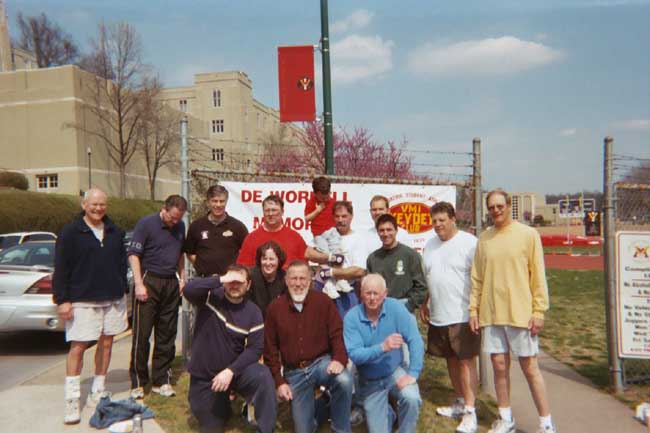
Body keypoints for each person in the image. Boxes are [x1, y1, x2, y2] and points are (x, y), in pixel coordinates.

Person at [469, 189, 555, 433]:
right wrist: (474, 309)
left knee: (530, 368)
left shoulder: (528, 235)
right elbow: (477, 278)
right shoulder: (484, 239)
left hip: (521, 314)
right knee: (499, 366)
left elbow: (538, 275)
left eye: (500, 206)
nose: (496, 210)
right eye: (491, 207)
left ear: (508, 206)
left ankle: (546, 423)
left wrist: (539, 310)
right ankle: (506, 418)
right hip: (491, 313)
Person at [53, 188, 128, 425]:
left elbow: (121, 264)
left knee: (106, 344)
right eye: (94, 204)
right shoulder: (70, 232)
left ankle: (98, 390)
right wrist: (62, 300)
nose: (98, 208)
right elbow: (61, 268)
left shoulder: (115, 231)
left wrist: (122, 289)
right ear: (84, 205)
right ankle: (72, 399)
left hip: (112, 298)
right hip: (81, 299)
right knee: (78, 347)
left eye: (102, 204)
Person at [183, 266, 277, 433]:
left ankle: (266, 429)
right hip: (205, 377)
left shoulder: (253, 312)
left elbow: (255, 349)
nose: (234, 285)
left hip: (234, 373)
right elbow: (189, 289)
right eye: (231, 281)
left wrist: (231, 371)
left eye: (239, 282)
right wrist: (220, 279)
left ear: (248, 285)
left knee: (262, 375)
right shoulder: (210, 297)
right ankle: (224, 404)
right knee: (213, 427)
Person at [264, 260, 353, 433]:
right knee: (304, 430)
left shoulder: (324, 301)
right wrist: (279, 382)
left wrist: (339, 359)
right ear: (286, 281)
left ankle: (340, 429)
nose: (298, 283)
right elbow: (270, 350)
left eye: (302, 278)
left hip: (320, 364)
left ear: (310, 280)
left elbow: (336, 334)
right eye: (294, 278)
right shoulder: (275, 308)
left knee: (344, 380)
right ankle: (324, 403)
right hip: (295, 373)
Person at [420, 202, 480, 433]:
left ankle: (471, 413)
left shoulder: (470, 243)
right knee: (451, 360)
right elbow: (431, 277)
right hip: (439, 315)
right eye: (434, 221)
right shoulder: (430, 245)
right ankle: (460, 402)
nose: (438, 225)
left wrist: (475, 310)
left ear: (453, 219)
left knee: (466, 362)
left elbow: (479, 279)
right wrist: (426, 302)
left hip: (463, 315)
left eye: (442, 220)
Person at [343, 274, 423, 433]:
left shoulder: (395, 308)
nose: (372, 298)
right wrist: (382, 347)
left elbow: (415, 339)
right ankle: (389, 414)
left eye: (376, 293)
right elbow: (355, 354)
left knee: (412, 398)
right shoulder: (352, 317)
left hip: (394, 371)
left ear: (385, 293)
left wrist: (413, 373)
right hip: (370, 381)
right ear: (361, 293)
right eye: (368, 293)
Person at [128, 195, 187, 399]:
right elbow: (134, 255)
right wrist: (139, 284)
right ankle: (138, 382)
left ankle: (161, 380)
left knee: (167, 335)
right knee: (142, 335)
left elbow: (180, 254)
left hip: (170, 282)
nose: (174, 222)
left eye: (178, 218)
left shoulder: (180, 227)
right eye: (172, 217)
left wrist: (182, 278)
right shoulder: (146, 224)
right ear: (164, 208)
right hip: (148, 280)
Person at [237, 194, 329, 268]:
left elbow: (307, 256)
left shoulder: (294, 237)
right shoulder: (252, 238)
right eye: (267, 210)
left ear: (282, 212)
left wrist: (331, 256)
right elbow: (243, 268)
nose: (270, 214)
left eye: (274, 210)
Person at [366, 213, 427, 314]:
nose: (385, 234)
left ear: (396, 230)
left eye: (389, 229)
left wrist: (409, 305)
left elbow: (421, 286)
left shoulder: (410, 255)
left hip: (404, 308)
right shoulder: (372, 259)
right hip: (380, 309)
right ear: (377, 232)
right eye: (382, 230)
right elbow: (369, 287)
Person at [184, 185, 248, 277]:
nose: (218, 205)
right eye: (214, 201)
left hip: (229, 279)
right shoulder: (196, 226)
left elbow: (246, 252)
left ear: (226, 202)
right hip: (204, 279)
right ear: (208, 202)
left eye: (221, 201)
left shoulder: (238, 227)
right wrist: (203, 266)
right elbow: (190, 253)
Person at [360, 195, 411, 260]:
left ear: (388, 210)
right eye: (374, 210)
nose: (377, 212)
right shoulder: (365, 236)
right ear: (370, 212)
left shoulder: (402, 234)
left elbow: (409, 258)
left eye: (381, 209)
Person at [248, 241, 287, 316]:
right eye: (264, 259)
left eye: (271, 259)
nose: (268, 263)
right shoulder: (250, 276)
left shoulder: (285, 277)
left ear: (279, 260)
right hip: (254, 318)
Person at [304, 176, 336, 241]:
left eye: (327, 197)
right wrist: (317, 211)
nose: (325, 199)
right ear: (315, 194)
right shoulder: (311, 202)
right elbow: (307, 218)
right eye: (322, 198)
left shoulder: (333, 202)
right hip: (319, 234)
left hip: (332, 233)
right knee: (322, 247)